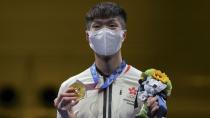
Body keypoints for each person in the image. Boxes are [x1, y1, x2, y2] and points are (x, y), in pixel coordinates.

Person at [54, 2, 162, 118]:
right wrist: (65, 115)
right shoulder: (70, 88)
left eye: (112, 26)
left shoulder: (146, 85)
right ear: (88, 36)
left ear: (124, 35)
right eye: (97, 26)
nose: (104, 32)